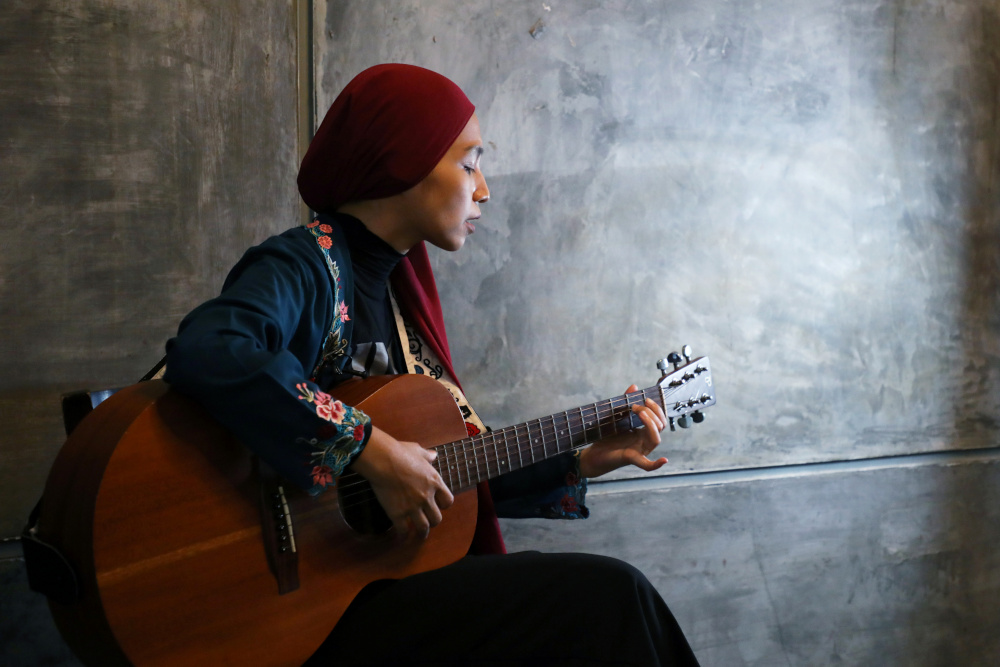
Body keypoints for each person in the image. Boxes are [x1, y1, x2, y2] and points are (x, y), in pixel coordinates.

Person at [165, 63, 700, 666]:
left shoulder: (402, 302)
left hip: (362, 591)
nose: (484, 189)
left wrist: (580, 459)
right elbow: (212, 347)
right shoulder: (304, 266)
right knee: (607, 597)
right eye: (470, 162)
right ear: (404, 162)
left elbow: (445, 473)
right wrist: (368, 447)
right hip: (277, 610)